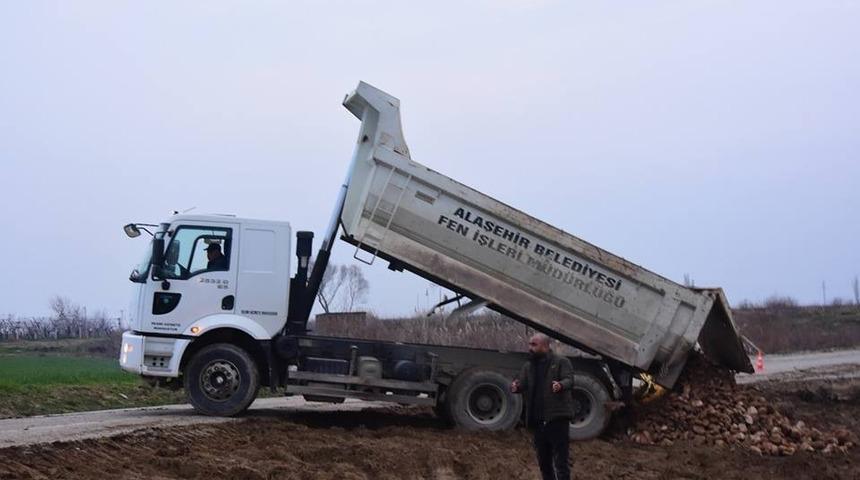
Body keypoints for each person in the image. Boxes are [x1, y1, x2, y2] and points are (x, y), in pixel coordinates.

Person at [511, 333, 574, 480]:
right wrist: (516, 387)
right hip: (538, 421)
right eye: (529, 344)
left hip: (556, 419)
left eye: (534, 345)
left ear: (545, 346)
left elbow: (570, 380)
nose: (530, 348)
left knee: (561, 462)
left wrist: (561, 385)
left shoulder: (561, 362)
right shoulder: (529, 366)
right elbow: (522, 383)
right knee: (544, 462)